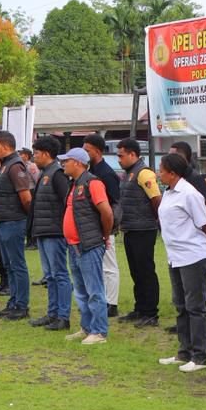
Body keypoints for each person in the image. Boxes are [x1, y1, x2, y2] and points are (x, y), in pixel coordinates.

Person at [155, 152, 206, 371]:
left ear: (173, 173)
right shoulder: (168, 193)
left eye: (162, 170)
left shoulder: (189, 193)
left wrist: (205, 243)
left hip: (192, 256)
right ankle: (184, 351)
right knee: (180, 305)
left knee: (195, 307)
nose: (159, 174)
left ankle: (200, 356)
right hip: (175, 256)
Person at [59, 148, 114, 345]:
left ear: (78, 163)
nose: (63, 164)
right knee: (81, 291)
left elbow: (107, 212)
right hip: (74, 245)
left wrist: (104, 235)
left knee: (94, 290)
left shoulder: (93, 183)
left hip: (88, 245)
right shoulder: (74, 184)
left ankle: (99, 331)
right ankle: (87, 327)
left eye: (67, 161)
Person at [115, 137, 162, 328]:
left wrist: (154, 220)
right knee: (136, 271)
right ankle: (140, 308)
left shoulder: (144, 173)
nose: (119, 159)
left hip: (143, 229)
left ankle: (150, 313)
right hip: (131, 228)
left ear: (133, 154)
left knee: (145, 271)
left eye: (121, 155)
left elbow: (156, 200)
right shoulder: (129, 173)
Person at [28, 136, 72, 331]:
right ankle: (52, 313)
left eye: (36, 153)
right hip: (43, 231)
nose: (34, 157)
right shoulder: (45, 173)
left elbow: (67, 202)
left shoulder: (57, 174)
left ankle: (63, 316)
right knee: (50, 276)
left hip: (55, 232)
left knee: (59, 274)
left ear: (46, 154)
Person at [0, 131, 33, 319]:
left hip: (13, 221)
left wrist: (25, 218)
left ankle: (21, 305)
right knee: (8, 265)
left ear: (6, 146)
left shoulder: (15, 166)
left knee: (17, 264)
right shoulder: (5, 165)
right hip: (3, 221)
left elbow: (26, 198)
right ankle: (13, 302)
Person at [82, 133, 122, 318]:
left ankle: (111, 303)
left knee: (109, 265)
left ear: (97, 151)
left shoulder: (106, 173)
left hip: (106, 225)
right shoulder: (91, 171)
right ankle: (102, 299)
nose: (84, 153)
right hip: (94, 225)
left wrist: (110, 226)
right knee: (98, 266)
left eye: (87, 150)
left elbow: (115, 202)